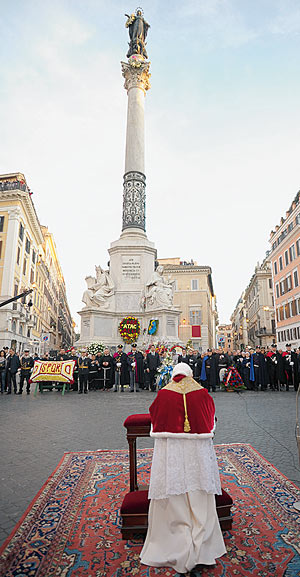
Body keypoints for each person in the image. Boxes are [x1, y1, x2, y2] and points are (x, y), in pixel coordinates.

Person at [140, 363, 226, 574]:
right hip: (196, 452)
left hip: (172, 453)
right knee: (198, 485)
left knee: (174, 485)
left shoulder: (164, 394)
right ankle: (201, 536)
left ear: (174, 375)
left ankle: (175, 535)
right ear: (189, 374)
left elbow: (154, 415)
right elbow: (211, 418)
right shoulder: (202, 393)